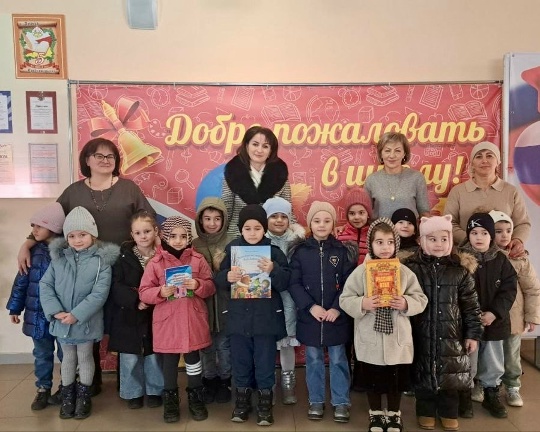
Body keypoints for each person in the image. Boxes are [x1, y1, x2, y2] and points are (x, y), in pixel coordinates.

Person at [17, 137, 155, 396]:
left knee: (123, 323)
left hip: (123, 268)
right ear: (87, 160)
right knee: (85, 321)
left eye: (110, 156)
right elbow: (50, 223)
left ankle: (128, 385)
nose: (105, 160)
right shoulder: (73, 192)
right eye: (99, 156)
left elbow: (147, 220)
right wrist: (27, 243)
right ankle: (89, 384)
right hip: (83, 269)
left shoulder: (129, 188)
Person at [340, 218, 427, 432]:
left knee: (395, 380)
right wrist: (363, 303)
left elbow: (421, 299)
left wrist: (406, 303)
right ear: (371, 244)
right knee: (373, 379)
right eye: (379, 242)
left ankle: (394, 414)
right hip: (370, 337)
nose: (385, 247)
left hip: (397, 339)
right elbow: (345, 298)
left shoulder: (404, 272)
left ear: (396, 244)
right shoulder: (361, 272)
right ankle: (376, 413)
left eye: (390, 242)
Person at [402, 215, 483, 431]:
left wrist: (473, 334)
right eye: (432, 239)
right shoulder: (411, 268)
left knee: (451, 375)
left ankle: (448, 412)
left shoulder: (460, 271)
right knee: (423, 372)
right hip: (421, 332)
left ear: (451, 241)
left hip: (452, 334)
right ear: (421, 241)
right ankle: (425, 411)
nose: (439, 244)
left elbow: (471, 306)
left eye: (444, 239)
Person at [39, 206, 120, 420]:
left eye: (82, 234)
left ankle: (84, 396)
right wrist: (56, 311)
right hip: (62, 321)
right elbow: (45, 285)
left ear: (92, 235)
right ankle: (68, 396)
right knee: (67, 358)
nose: (77, 240)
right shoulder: (58, 259)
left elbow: (99, 293)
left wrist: (77, 314)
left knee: (85, 357)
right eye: (72, 236)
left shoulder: (101, 261)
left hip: (86, 322)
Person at [214, 204, 290, 426]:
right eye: (247, 228)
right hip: (239, 320)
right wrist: (227, 277)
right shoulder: (232, 249)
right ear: (241, 229)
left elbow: (285, 282)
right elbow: (218, 279)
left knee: (265, 362)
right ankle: (242, 402)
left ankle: (265, 404)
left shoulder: (274, 252)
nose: (253, 233)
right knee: (241, 362)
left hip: (266, 320)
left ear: (264, 229)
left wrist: (273, 270)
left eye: (257, 228)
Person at [139, 216, 215, 423]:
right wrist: (160, 292)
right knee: (169, 363)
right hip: (168, 323)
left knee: (193, 361)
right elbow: (144, 291)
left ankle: (195, 397)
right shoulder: (155, 263)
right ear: (165, 237)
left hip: (192, 320)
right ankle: (170, 399)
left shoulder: (198, 260)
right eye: (173, 236)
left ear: (189, 237)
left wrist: (198, 285)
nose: (178, 240)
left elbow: (210, 286)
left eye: (183, 236)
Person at [289, 201, 356, 423]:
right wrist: (310, 306)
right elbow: (294, 283)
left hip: (336, 318)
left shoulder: (342, 251)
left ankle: (341, 401)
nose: (321, 225)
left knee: (338, 359)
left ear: (333, 224)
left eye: (327, 221)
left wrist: (337, 308)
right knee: (314, 359)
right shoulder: (300, 252)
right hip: (310, 318)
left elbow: (349, 284)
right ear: (310, 224)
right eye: (317, 221)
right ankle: (316, 400)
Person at [6, 202, 65, 411]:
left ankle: (66, 387)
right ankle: (43, 389)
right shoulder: (32, 252)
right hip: (37, 315)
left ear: (54, 227)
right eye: (33, 226)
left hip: (62, 316)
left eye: (39, 226)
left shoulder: (67, 252)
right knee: (42, 354)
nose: (34, 230)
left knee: (66, 354)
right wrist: (15, 308)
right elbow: (21, 281)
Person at [458, 212, 517, 419]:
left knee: (493, 361)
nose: (479, 237)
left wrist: (494, 313)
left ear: (491, 236)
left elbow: (509, 290)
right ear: (468, 235)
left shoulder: (501, 260)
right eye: (474, 232)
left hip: (494, 323)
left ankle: (491, 393)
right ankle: (465, 394)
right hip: (468, 324)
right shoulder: (459, 259)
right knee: (468, 360)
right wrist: (468, 316)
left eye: (484, 233)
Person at [108, 210, 164, 409]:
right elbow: (115, 285)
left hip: (155, 313)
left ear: (155, 231)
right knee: (130, 357)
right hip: (128, 315)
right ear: (132, 235)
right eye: (138, 233)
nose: (143, 236)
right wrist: (135, 300)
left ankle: (155, 391)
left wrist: (154, 297)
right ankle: (133, 392)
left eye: (147, 231)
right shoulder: (123, 257)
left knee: (153, 355)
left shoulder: (163, 255)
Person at [444, 141, 530, 257]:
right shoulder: (458, 191)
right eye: (479, 157)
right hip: (467, 257)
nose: (484, 160)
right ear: (472, 163)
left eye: (489, 156)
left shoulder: (511, 191)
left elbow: (523, 223)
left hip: (504, 256)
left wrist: (517, 240)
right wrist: (473, 239)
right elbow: (449, 223)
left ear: (498, 162)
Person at [489, 210, 540, 408]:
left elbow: (532, 289)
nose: (504, 235)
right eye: (498, 231)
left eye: (508, 230)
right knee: (489, 354)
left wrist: (532, 316)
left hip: (514, 318)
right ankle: (487, 385)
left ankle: (512, 386)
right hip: (491, 316)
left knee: (511, 355)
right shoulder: (485, 257)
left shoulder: (519, 259)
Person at [262, 196, 305, 405]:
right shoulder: (260, 240)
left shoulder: (297, 241)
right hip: (266, 297)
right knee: (268, 342)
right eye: (274, 216)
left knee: (287, 340)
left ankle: (288, 380)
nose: (279, 220)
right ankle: (267, 382)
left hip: (289, 297)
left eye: (283, 216)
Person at [192, 197, 235, 404]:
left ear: (224, 220)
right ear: (200, 220)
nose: (212, 223)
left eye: (217, 218)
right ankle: (209, 380)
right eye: (207, 218)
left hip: (227, 304)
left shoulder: (232, 242)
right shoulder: (194, 245)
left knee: (225, 346)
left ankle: (226, 380)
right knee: (206, 346)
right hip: (202, 306)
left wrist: (222, 268)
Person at [221, 126, 293, 237]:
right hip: (237, 235)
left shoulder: (280, 173)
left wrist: (294, 236)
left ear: (271, 151)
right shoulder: (233, 171)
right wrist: (222, 239)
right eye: (255, 144)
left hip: (271, 237)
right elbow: (227, 209)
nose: (259, 150)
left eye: (265, 146)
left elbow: (287, 211)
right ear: (246, 146)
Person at [364, 132, 430, 219]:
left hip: (410, 228)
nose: (392, 155)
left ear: (404, 154)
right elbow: (364, 214)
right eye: (387, 151)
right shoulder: (371, 180)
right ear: (381, 154)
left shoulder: (417, 177)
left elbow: (424, 214)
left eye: (397, 151)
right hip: (379, 228)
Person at [337, 187, 373, 265]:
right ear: (347, 215)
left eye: (361, 213)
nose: (356, 217)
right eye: (352, 213)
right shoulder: (340, 236)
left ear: (368, 214)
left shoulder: (373, 236)